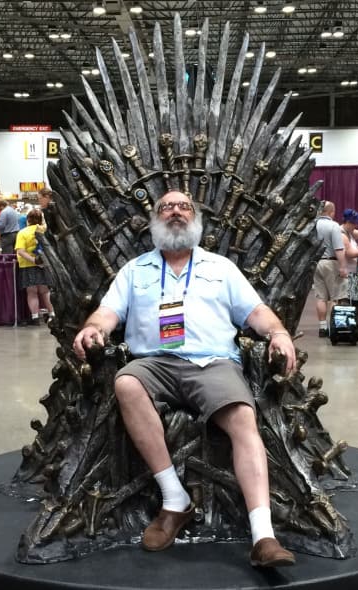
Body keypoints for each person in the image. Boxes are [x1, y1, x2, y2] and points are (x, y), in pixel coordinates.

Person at [73, 190, 297, 568]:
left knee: (243, 416)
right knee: (126, 382)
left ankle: (264, 536)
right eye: (166, 207)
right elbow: (107, 313)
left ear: (195, 219)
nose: (175, 212)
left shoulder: (221, 268)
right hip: (154, 363)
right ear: (154, 221)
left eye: (183, 207)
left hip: (212, 362)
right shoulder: (135, 270)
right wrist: (92, 328)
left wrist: (279, 333)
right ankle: (175, 499)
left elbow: (256, 311)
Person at [15, 208, 54, 326]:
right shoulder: (45, 230)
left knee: (32, 292)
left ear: (28, 220)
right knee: (45, 291)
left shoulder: (22, 233)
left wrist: (33, 260)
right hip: (44, 264)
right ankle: (53, 314)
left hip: (27, 265)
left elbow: (20, 251)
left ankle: (35, 317)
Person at [314, 201, 348, 337]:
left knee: (320, 297)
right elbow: (339, 248)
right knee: (336, 297)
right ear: (331, 212)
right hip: (331, 263)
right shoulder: (333, 226)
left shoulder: (313, 225)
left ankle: (322, 327)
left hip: (316, 263)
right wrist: (343, 267)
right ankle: (335, 326)